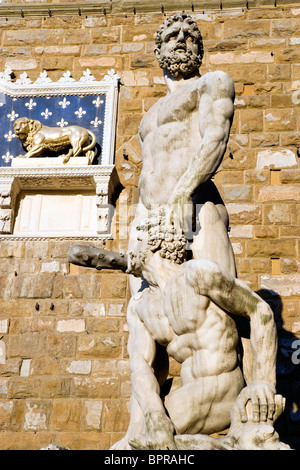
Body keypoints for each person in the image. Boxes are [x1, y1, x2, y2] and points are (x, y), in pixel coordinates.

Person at [70, 11, 286, 450]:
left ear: (200, 49)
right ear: (159, 50)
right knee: (145, 325)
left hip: (195, 206)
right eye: (172, 35)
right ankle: (144, 428)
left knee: (223, 307)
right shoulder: (149, 117)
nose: (182, 41)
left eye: (190, 35)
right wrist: (145, 223)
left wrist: (182, 194)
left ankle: (250, 415)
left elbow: (213, 140)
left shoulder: (214, 84)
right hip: (149, 222)